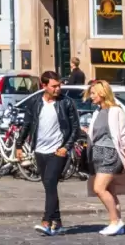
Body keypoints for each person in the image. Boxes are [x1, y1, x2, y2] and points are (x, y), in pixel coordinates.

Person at [14, 70, 79, 236]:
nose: (58, 89)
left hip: (57, 151)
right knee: (49, 186)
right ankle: (57, 223)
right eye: (54, 86)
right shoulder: (35, 102)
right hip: (40, 150)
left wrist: (66, 147)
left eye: (59, 85)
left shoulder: (66, 103)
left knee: (50, 182)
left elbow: (75, 129)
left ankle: (46, 221)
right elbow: (27, 125)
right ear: (44, 86)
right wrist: (19, 145)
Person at [86, 80, 125, 235]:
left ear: (102, 93)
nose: (91, 97)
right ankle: (117, 223)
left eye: (93, 93)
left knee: (99, 188)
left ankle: (115, 222)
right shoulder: (98, 111)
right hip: (97, 154)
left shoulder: (116, 111)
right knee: (109, 191)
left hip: (111, 154)